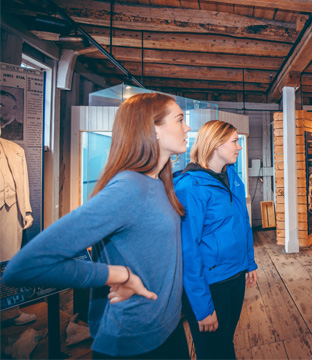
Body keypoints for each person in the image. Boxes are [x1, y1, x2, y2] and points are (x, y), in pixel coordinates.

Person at [3, 92, 191, 358]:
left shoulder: (159, 182)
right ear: (153, 129)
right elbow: (26, 265)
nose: (188, 127)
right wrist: (119, 275)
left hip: (168, 327)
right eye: (180, 119)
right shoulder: (129, 187)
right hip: (136, 342)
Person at [174, 120, 258, 360]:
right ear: (215, 144)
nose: (239, 147)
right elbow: (188, 250)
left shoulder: (231, 176)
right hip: (211, 285)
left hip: (235, 276)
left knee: (224, 343)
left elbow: (242, 223)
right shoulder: (191, 186)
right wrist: (202, 308)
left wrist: (249, 263)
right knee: (211, 352)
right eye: (234, 141)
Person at [0, 127, 36, 326]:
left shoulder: (14, 149)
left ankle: (10, 313)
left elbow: (22, 182)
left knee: (8, 261)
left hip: (10, 210)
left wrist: (27, 211)